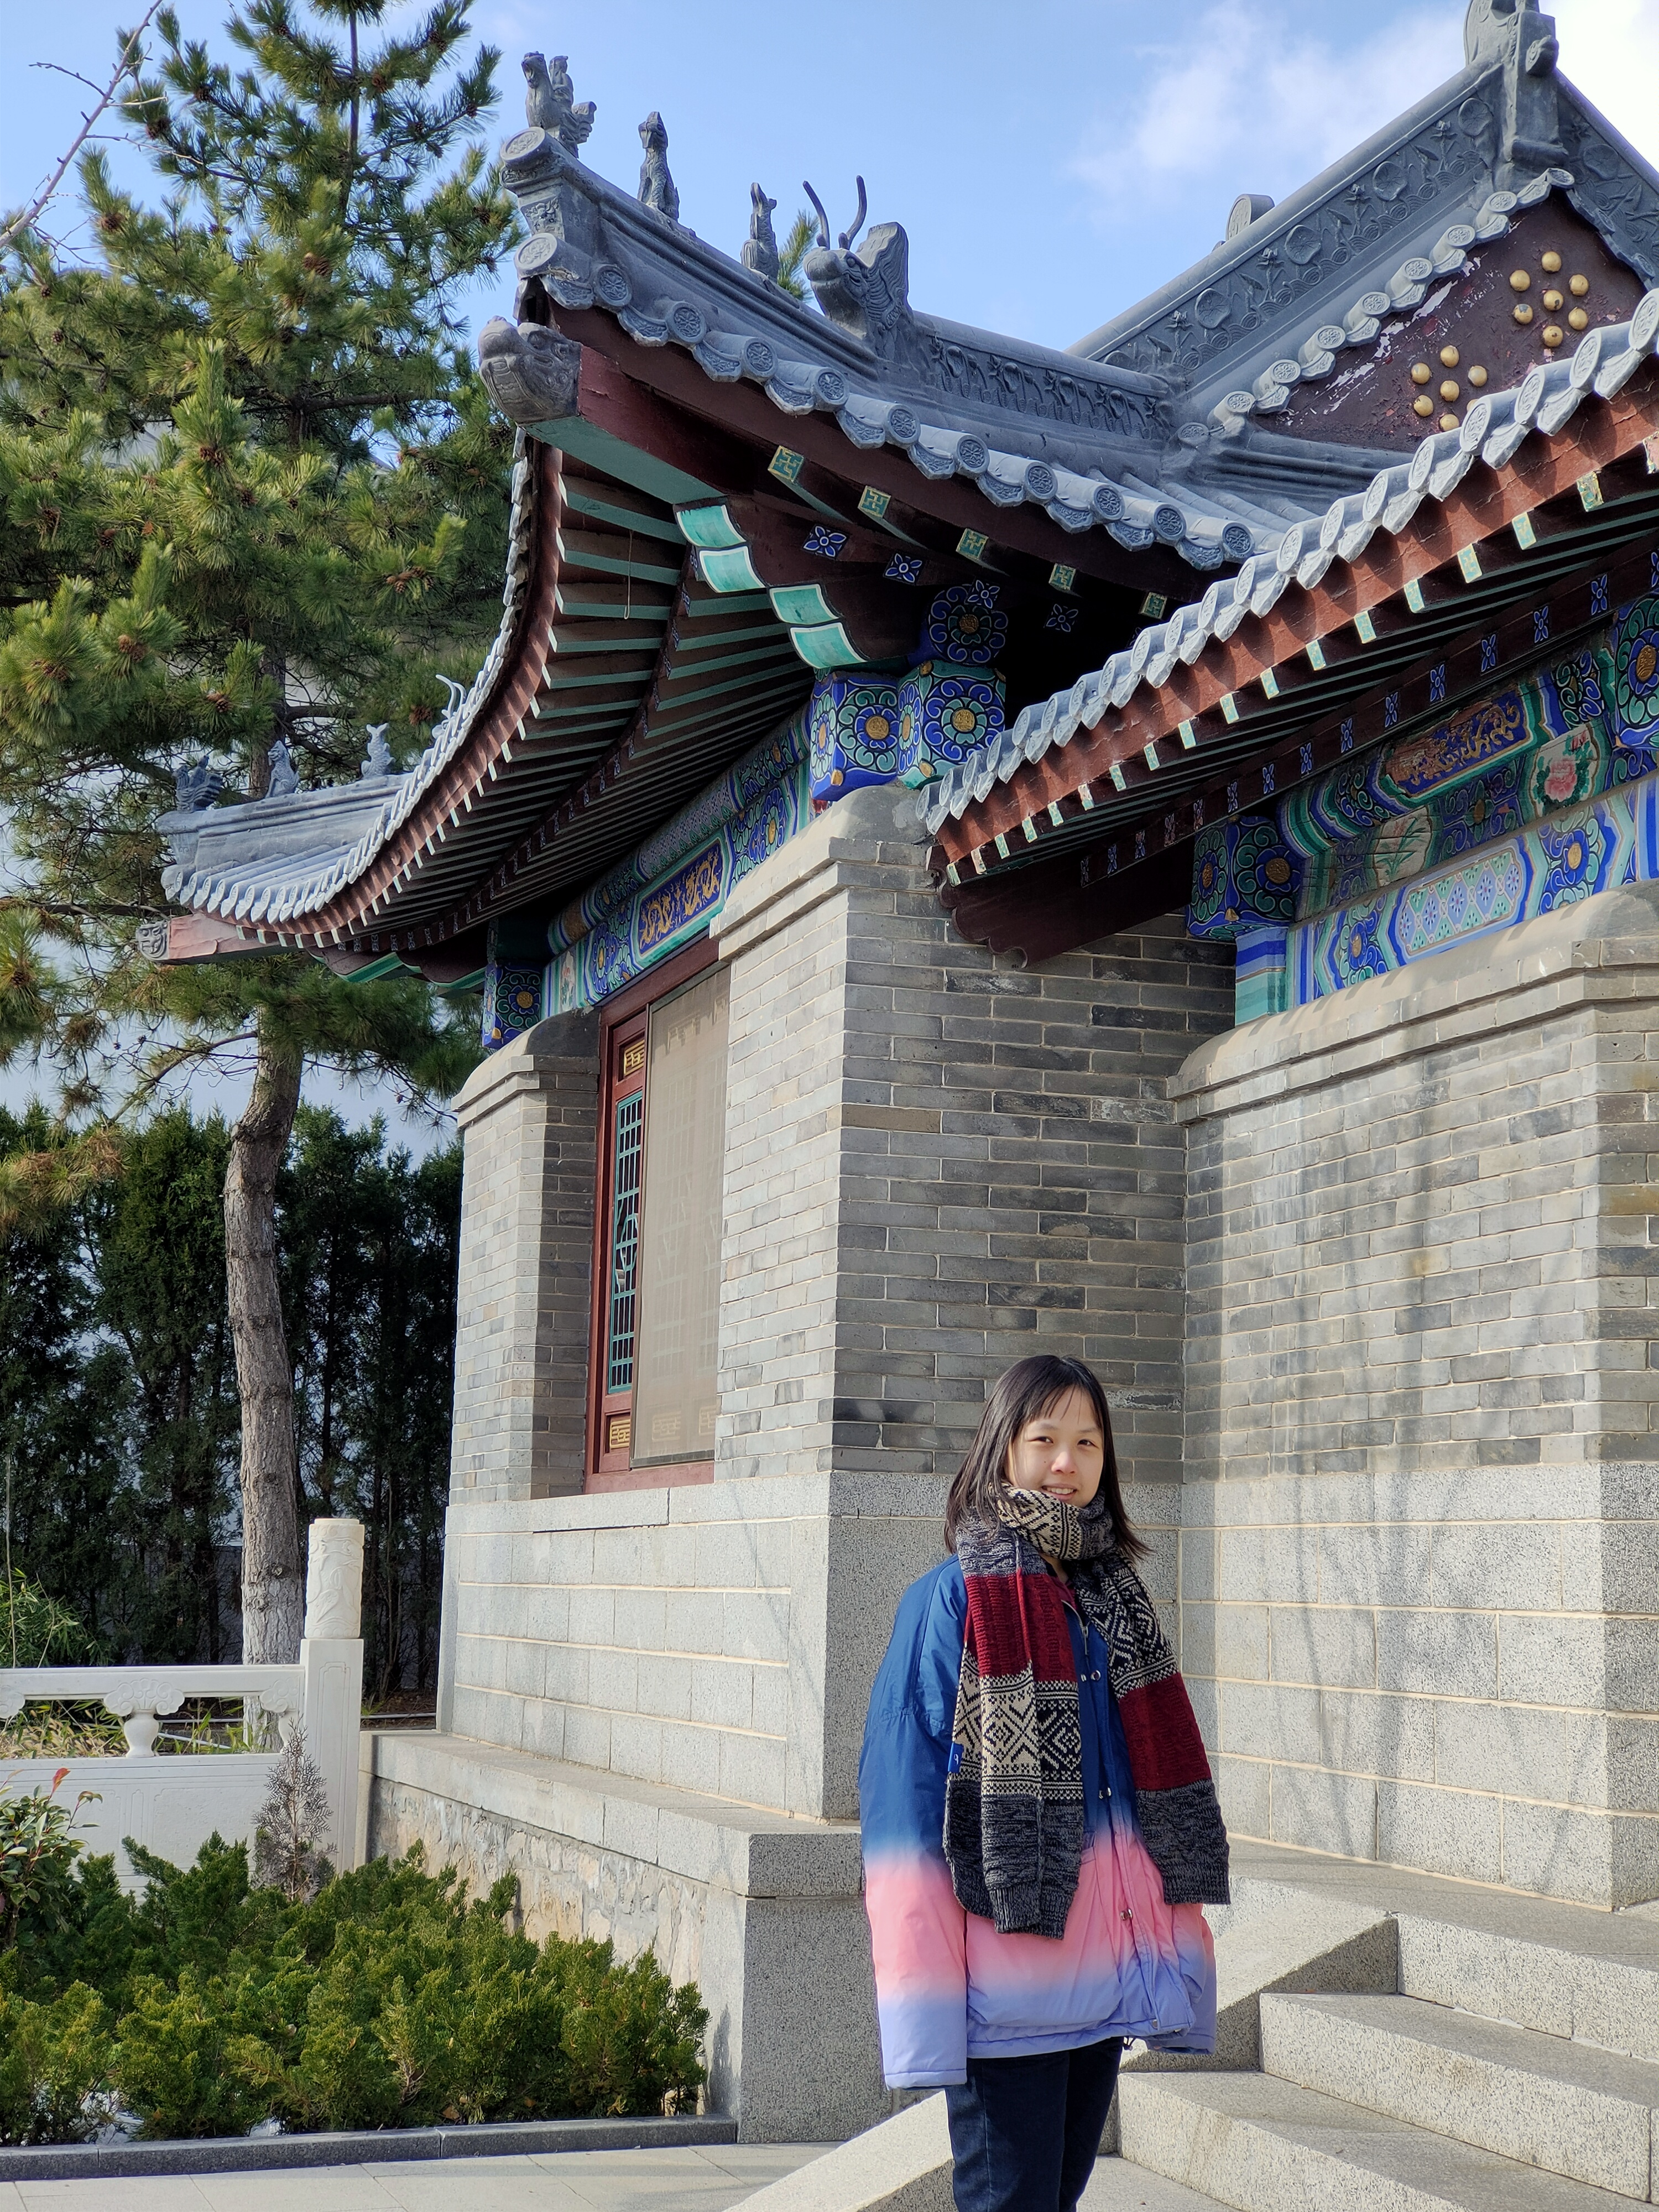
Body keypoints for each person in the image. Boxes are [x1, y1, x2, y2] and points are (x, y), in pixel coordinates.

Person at [859, 1355, 1228, 2212]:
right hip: (1005, 2003)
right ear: (1002, 1449)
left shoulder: (1114, 1601)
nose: (1068, 1463)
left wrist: (1170, 1958)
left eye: (1088, 1443)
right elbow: (906, 1818)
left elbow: (1136, 1808)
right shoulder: (951, 1603)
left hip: (1102, 1985)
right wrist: (924, 2013)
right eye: (1045, 1440)